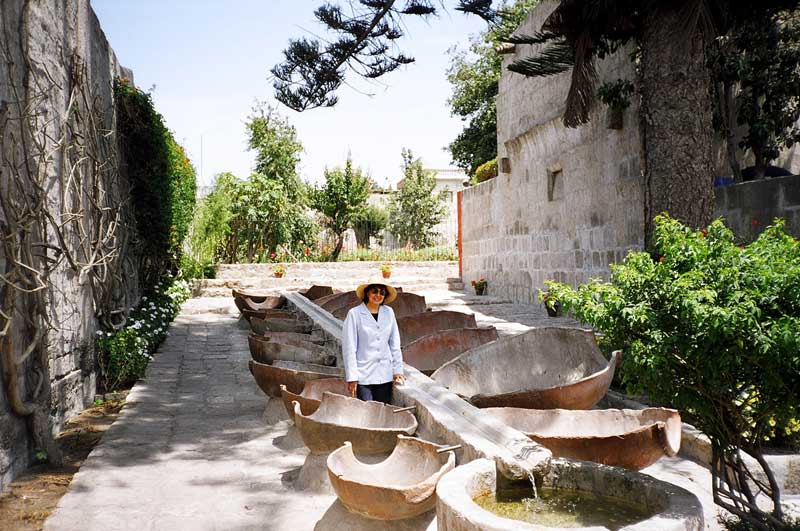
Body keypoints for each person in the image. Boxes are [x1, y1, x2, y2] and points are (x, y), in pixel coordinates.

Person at [342, 277, 405, 403]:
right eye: (374, 291)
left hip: (384, 374)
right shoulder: (354, 314)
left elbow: (394, 343)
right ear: (367, 293)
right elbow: (349, 347)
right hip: (363, 374)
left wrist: (397, 370)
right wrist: (352, 377)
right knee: (367, 412)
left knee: (383, 412)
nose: (378, 295)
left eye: (382, 292)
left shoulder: (389, 312)